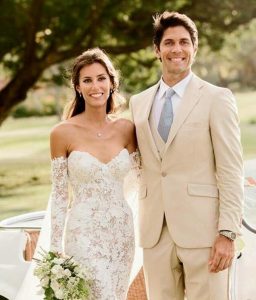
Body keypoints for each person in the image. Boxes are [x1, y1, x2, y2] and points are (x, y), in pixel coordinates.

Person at [130, 11, 244, 300]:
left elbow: (231, 169)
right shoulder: (138, 103)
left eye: (184, 42)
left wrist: (228, 233)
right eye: (169, 43)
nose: (176, 49)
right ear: (157, 50)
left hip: (204, 233)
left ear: (194, 48)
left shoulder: (217, 98)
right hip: (155, 234)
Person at [16, 48, 141, 300]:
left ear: (112, 82)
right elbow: (60, 196)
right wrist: (54, 251)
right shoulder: (62, 133)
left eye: (101, 78)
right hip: (83, 234)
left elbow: (144, 179)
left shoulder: (128, 129)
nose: (95, 86)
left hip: (121, 234)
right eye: (87, 80)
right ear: (77, 86)